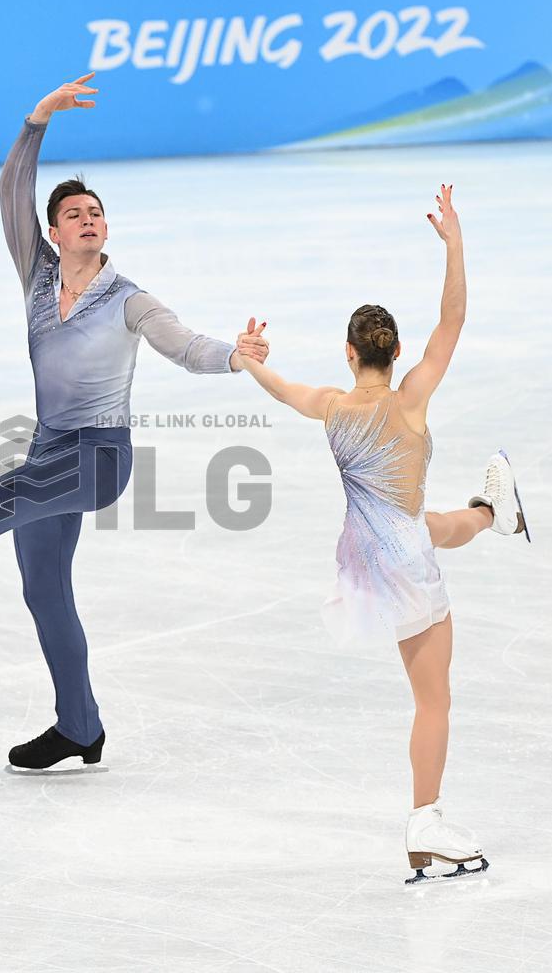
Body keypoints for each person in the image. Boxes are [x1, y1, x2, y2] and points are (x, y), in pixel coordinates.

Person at [0, 72, 268, 771]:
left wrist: (233, 357)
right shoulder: (36, 276)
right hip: (49, 447)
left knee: (0, 499)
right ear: (54, 233)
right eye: (75, 214)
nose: (88, 219)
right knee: (42, 590)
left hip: (97, 460)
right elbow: (10, 192)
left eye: (96, 212)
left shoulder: (128, 299)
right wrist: (37, 120)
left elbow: (184, 345)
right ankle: (80, 726)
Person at [233, 184, 529, 882]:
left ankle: (494, 513)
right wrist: (454, 244)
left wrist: (247, 356)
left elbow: (277, 387)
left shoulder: (331, 407)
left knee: (431, 521)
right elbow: (451, 323)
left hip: (365, 560)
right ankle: (424, 818)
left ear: (347, 353)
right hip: (404, 566)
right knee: (433, 699)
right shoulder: (412, 399)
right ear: (394, 351)